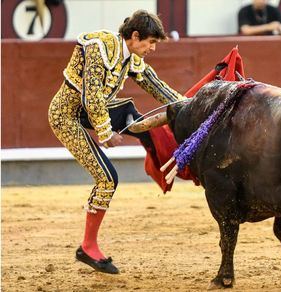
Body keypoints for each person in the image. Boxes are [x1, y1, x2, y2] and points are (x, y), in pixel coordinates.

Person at [48, 10, 184, 274]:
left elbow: (155, 84)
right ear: (135, 36)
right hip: (67, 116)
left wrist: (187, 104)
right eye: (150, 42)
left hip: (89, 112)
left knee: (134, 115)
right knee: (107, 178)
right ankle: (87, 247)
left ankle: (159, 151)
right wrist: (105, 131)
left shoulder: (130, 56)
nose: (153, 48)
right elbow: (92, 95)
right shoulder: (99, 47)